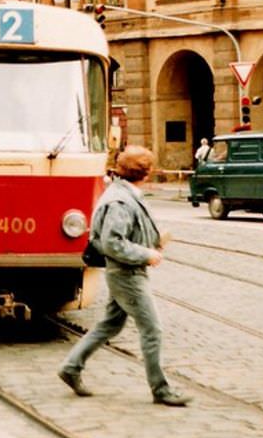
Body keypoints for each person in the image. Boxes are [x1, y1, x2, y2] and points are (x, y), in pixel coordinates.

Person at [58, 145, 192, 407]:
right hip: (127, 274)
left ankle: (71, 367)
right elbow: (113, 243)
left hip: (126, 271)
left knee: (110, 325)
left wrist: (154, 242)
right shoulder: (120, 200)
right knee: (152, 330)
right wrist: (146, 254)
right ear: (146, 172)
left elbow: (123, 235)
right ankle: (160, 389)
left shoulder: (124, 194)